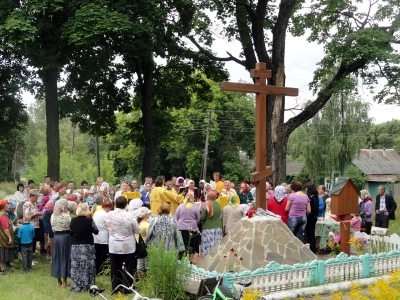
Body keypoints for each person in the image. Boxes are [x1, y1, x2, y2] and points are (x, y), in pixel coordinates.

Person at [106, 196, 141, 291]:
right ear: (126, 205)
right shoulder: (129, 215)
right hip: (128, 246)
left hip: (114, 245)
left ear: (115, 204)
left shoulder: (109, 215)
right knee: (128, 267)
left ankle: (115, 286)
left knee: (115, 267)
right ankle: (127, 287)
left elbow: (107, 227)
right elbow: (137, 230)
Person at [70, 203, 99, 293]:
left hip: (76, 246)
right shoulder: (90, 221)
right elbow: (96, 231)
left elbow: (71, 233)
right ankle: (88, 284)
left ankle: (77, 285)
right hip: (87, 246)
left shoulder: (73, 220)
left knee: (77, 266)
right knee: (88, 266)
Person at [51, 199, 72, 287]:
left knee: (57, 257)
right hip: (65, 237)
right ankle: (64, 282)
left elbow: (52, 227)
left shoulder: (53, 215)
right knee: (65, 257)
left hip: (56, 237)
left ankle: (58, 280)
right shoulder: (67, 216)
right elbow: (70, 226)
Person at [175, 193, 201, 261]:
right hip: (192, 228)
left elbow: (176, 217)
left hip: (181, 228)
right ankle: (191, 260)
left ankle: (181, 260)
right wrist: (194, 223)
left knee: (182, 245)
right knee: (192, 245)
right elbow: (198, 218)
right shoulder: (195, 207)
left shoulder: (180, 206)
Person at [23, 189, 45, 256]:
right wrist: (36, 214)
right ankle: (29, 256)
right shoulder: (27, 204)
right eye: (36, 197)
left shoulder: (34, 204)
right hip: (30, 225)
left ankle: (32, 254)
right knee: (31, 240)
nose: (37, 199)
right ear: (31, 196)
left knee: (34, 240)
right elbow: (27, 216)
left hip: (36, 225)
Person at [200, 191, 223, 256]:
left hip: (208, 228)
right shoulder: (218, 204)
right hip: (218, 228)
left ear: (208, 196)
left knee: (208, 247)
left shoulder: (205, 204)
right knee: (217, 245)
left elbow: (203, 217)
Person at [93, 200, 112, 275]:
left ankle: (96, 269)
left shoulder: (97, 213)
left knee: (96, 255)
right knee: (103, 255)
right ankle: (101, 271)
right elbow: (109, 226)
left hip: (95, 237)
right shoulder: (105, 215)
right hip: (103, 238)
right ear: (107, 207)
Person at [0, 200, 14, 275]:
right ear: (4, 206)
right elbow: (5, 228)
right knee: (2, 253)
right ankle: (3, 271)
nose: (8, 206)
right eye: (7, 204)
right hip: (2, 239)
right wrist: (9, 237)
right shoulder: (3, 217)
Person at [304, 182, 319, 254]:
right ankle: (313, 249)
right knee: (312, 233)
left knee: (309, 234)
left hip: (309, 217)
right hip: (315, 216)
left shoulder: (309, 197)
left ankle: (310, 250)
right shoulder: (316, 196)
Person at [136, 207, 151, 274]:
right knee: (148, 264)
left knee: (140, 264)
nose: (149, 214)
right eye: (148, 213)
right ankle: (147, 281)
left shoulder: (137, 223)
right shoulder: (147, 225)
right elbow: (150, 236)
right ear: (145, 215)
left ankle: (140, 281)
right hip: (146, 246)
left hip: (138, 246)